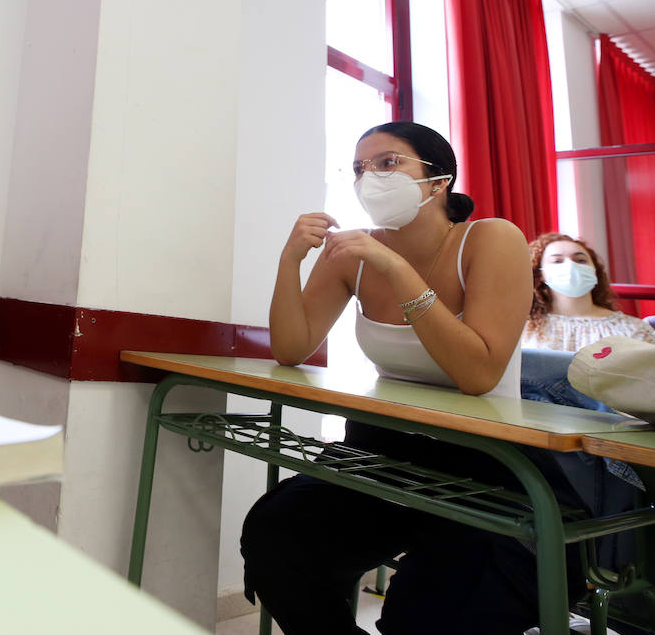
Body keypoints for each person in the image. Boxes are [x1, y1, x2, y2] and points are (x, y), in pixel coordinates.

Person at [242, 121, 581, 635]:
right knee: (277, 535)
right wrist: (290, 261)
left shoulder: (491, 238)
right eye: (359, 168)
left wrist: (396, 269)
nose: (369, 177)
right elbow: (292, 348)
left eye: (388, 162)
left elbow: (477, 373)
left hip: (484, 460)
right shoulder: (352, 255)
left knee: (422, 617)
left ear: (438, 179)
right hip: (381, 449)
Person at [522, 232, 655, 351]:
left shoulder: (633, 330)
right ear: (539, 274)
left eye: (580, 260)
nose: (571, 266)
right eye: (557, 261)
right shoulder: (523, 330)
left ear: (595, 270)